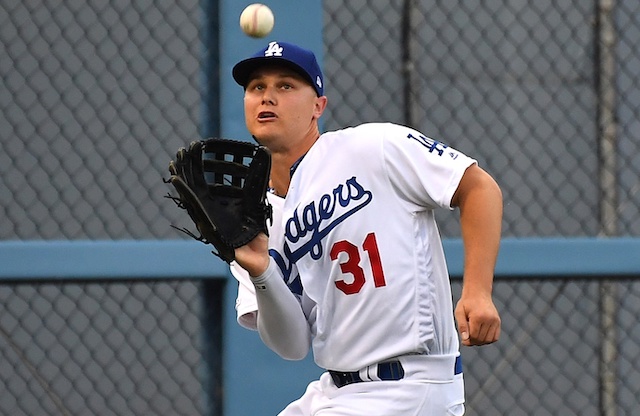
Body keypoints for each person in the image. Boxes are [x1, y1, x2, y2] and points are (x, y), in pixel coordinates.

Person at [229, 40, 502, 416]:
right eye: (257, 87)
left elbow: (479, 188)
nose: (268, 97)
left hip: (411, 384)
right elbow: (292, 346)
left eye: (286, 86)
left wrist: (477, 292)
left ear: (318, 107)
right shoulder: (248, 222)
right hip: (334, 390)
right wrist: (259, 270)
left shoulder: (374, 148)